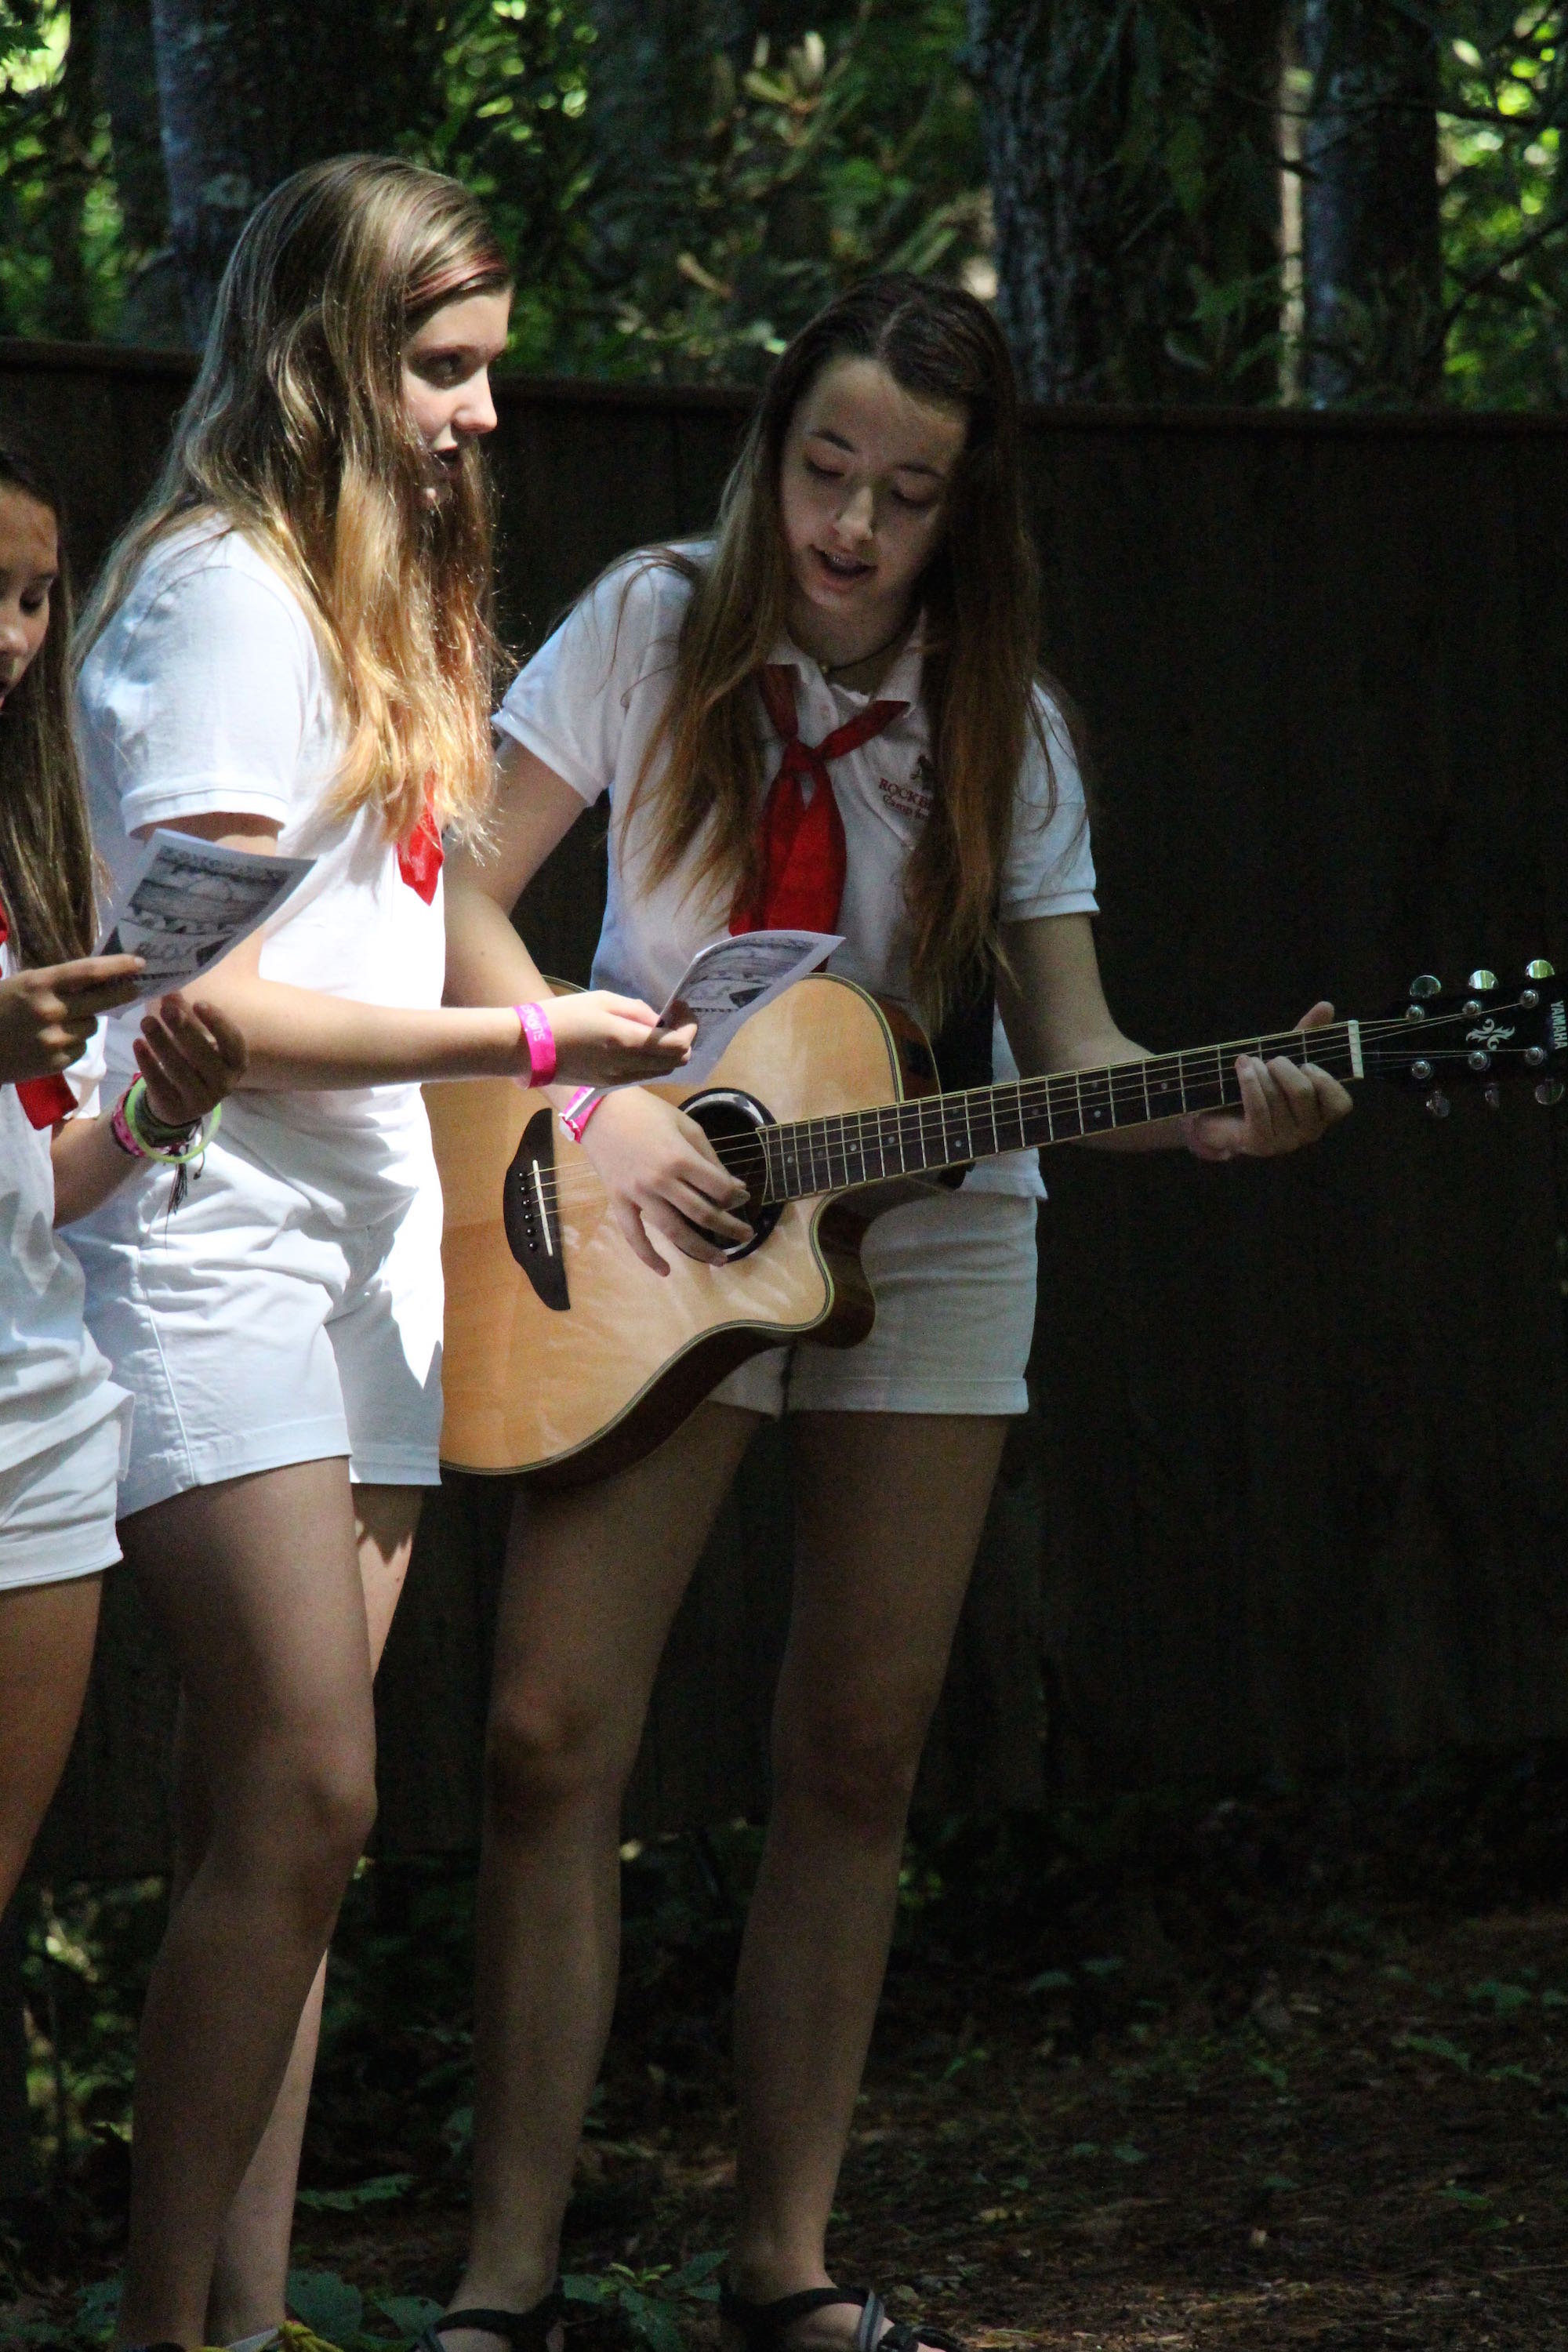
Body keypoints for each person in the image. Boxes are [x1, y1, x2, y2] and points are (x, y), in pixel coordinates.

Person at [437, 274, 1354, 2352]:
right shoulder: (655, 621)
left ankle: (784, 2271)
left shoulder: (1000, 721)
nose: (850, 525)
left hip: (934, 1226)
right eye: (825, 467)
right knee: (542, 1733)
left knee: (854, 1746)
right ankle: (505, 2284)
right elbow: (460, 889)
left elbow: (1077, 1042)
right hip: (652, 1191)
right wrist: (592, 1088)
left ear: (968, 514)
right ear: (771, 451)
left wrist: (1219, 1117)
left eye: (906, 494)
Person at [68, 158, 690, 2352]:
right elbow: (206, 1012)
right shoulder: (213, 603)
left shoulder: (393, 593)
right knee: (315, 1786)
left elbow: (428, 894)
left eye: (489, 368)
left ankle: (252, 2321)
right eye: (442, 369)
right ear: (329, 360)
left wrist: (574, 1095)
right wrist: (520, 1034)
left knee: (291, 1843)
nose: (481, 416)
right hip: (206, 1220)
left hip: (377, 1246)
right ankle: (165, 2332)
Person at [0, 433, 247, 1919]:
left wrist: (157, 1113)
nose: (16, 640)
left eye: (36, 598)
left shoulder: (23, 839)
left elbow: (48, 1177)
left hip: (35, 1416)